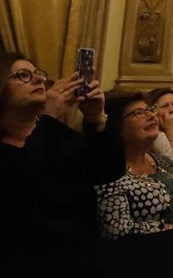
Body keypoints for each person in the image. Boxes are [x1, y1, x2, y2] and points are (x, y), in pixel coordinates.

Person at [0, 52, 107, 255]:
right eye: (23, 75)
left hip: (84, 257)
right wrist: (49, 117)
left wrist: (96, 120)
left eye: (38, 73)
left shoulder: (60, 137)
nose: (40, 79)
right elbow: (27, 194)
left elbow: (107, 171)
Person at [93, 92, 173, 238]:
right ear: (116, 126)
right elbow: (118, 231)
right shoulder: (108, 173)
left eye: (150, 110)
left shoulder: (162, 161)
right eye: (138, 113)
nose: (152, 116)